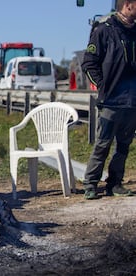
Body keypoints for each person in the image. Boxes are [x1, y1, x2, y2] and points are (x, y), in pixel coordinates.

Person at [81, 0, 136, 199]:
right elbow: (89, 63)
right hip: (110, 101)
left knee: (123, 145)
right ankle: (90, 184)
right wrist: (103, 86)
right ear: (128, 4)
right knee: (102, 145)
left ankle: (115, 184)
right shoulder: (104, 30)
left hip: (132, 102)